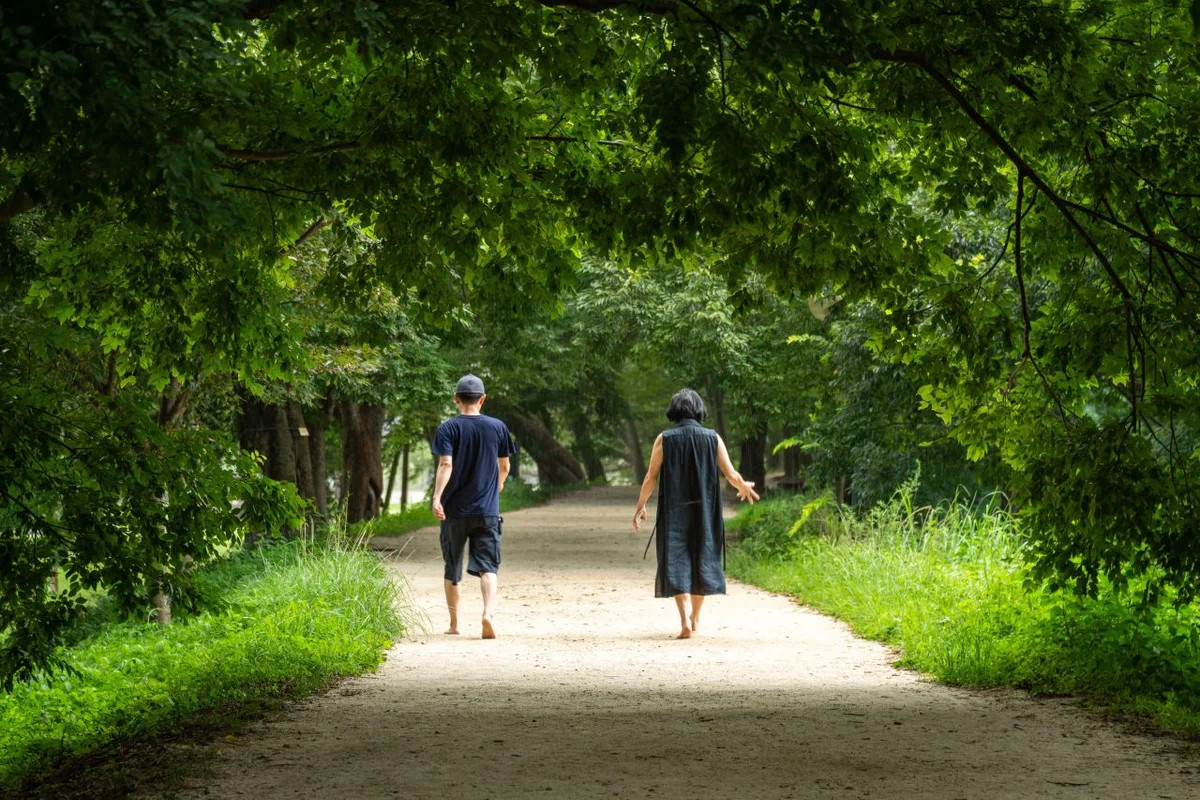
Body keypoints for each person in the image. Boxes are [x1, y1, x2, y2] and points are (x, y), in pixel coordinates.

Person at [632, 388, 759, 639]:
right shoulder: (713, 438)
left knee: (676, 559)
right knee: (703, 557)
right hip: (705, 509)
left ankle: (684, 621)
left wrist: (640, 506)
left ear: (674, 410)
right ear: (699, 409)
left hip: (674, 510)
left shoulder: (664, 439)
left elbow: (650, 477)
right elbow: (731, 474)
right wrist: (743, 486)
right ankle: (696, 618)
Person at [431, 374, 517, 639]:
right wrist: (498, 485)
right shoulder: (497, 427)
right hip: (487, 511)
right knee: (488, 566)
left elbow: (446, 464)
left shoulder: (447, 428)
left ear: (456, 399)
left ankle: (454, 624)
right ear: (482, 399)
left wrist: (437, 497)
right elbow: (504, 466)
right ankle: (487, 614)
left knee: (452, 567)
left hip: (453, 511)